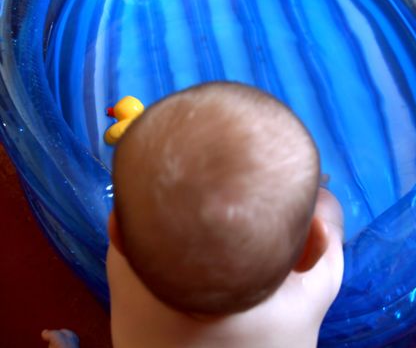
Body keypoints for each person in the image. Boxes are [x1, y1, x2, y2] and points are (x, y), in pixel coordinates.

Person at [42, 82, 344, 348]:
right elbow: (330, 222)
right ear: (310, 249)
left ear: (117, 234)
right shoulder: (306, 296)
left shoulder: (122, 267)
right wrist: (318, 197)